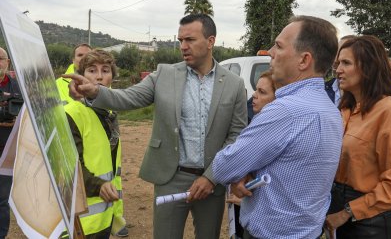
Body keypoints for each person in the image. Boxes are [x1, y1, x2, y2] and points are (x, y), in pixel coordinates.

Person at [64, 14, 247, 239]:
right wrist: (94, 92)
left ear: (210, 41)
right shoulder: (164, 74)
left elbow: (237, 135)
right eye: (180, 40)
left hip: (212, 181)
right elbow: (127, 98)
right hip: (170, 178)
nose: (183, 46)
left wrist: (211, 177)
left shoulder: (234, 84)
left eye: (190, 40)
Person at [212, 15, 343, 238]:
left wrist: (240, 172)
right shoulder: (330, 109)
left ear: (304, 60)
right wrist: (250, 171)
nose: (271, 52)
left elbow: (224, 167)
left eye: (279, 46)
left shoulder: (285, 111)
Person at [324, 35, 391, 239]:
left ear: (368, 68)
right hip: (338, 214)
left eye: (346, 63)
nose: (337, 70)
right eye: (338, 63)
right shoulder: (346, 109)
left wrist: (348, 212)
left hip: (369, 225)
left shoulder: (389, 113)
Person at [64, 49, 123, 238]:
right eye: (91, 70)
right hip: (81, 221)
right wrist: (99, 186)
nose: (99, 77)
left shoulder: (110, 113)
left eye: (105, 70)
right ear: (81, 76)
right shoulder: (73, 113)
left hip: (105, 215)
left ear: (112, 76)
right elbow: (69, 167)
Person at [227, 70, 276, 238]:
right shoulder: (255, 121)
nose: (254, 96)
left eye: (262, 92)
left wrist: (245, 200)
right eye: (256, 89)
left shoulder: (270, 132)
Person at [0, 47, 22, 239]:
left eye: (0, 59)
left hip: (7, 152)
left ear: (7, 62)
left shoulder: (17, 86)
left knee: (1, 199)